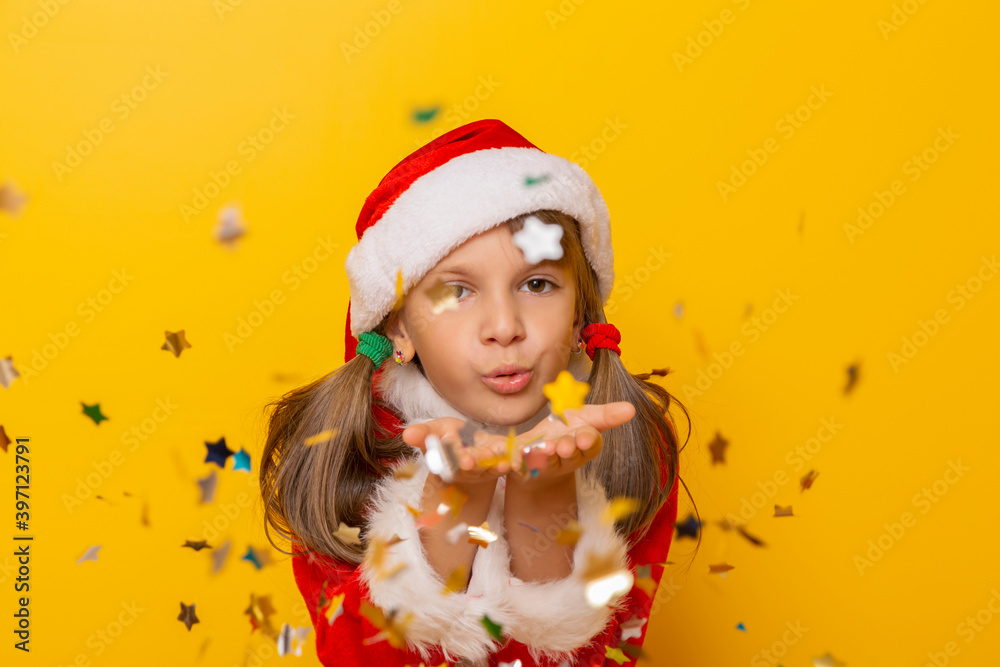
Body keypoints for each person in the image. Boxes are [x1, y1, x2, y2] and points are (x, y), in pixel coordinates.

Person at [259, 118, 694, 666]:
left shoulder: (629, 442)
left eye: (537, 284)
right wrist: (453, 508)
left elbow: (607, 653)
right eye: (457, 291)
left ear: (581, 305)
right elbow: (357, 655)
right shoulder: (342, 452)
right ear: (398, 329)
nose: (504, 326)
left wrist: (545, 508)